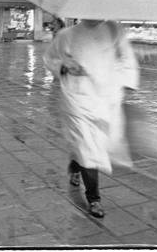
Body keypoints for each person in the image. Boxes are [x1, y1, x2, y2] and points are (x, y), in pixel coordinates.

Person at [43, 19, 139, 218]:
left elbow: (127, 59)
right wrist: (64, 65)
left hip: (105, 99)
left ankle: (75, 164)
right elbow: (50, 58)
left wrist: (126, 82)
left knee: (95, 145)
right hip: (77, 100)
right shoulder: (66, 35)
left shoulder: (115, 31)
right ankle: (94, 199)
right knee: (89, 148)